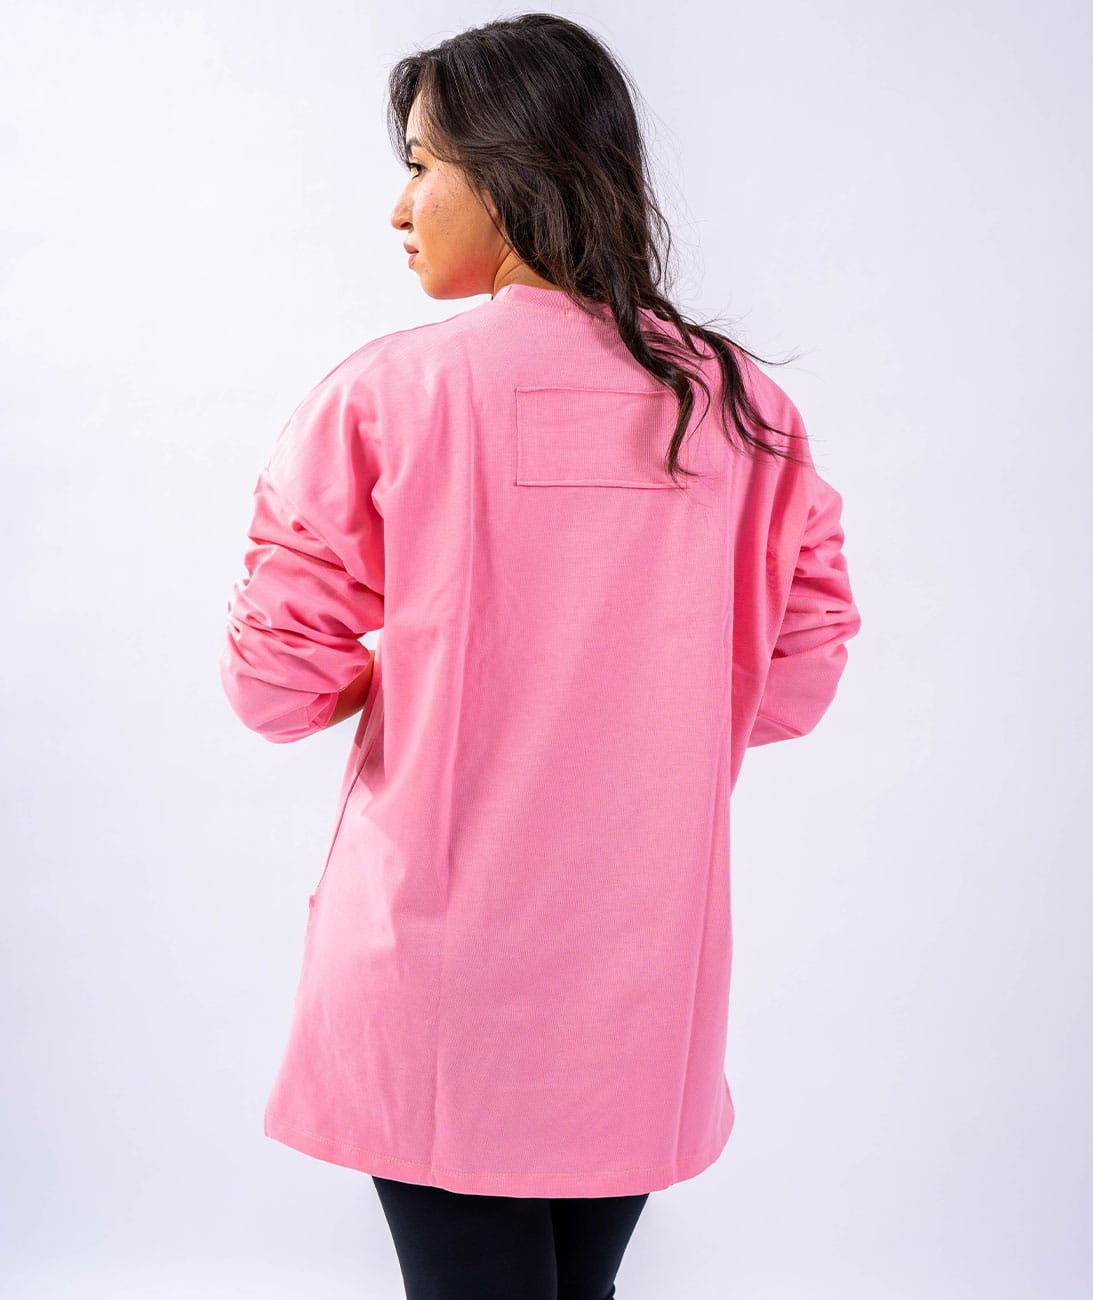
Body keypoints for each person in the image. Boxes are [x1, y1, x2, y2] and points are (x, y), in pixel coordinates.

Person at [218, 12, 862, 1299]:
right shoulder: (741, 406)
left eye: (420, 165)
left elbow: (274, 686)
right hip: (641, 974)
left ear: (511, 169)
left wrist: (416, 671)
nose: (397, 207)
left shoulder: (386, 395)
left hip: (436, 969)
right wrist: (641, 695)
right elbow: (797, 675)